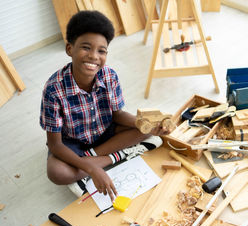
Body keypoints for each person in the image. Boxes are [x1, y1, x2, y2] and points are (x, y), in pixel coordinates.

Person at [40, 11, 169, 201]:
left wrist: (146, 123)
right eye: (86, 47)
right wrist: (92, 168)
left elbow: (118, 115)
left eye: (101, 51)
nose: (93, 56)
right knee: (57, 172)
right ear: (70, 49)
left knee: (146, 129)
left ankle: (95, 159)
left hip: (105, 132)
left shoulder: (109, 76)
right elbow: (55, 144)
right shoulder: (53, 89)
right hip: (72, 143)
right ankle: (115, 156)